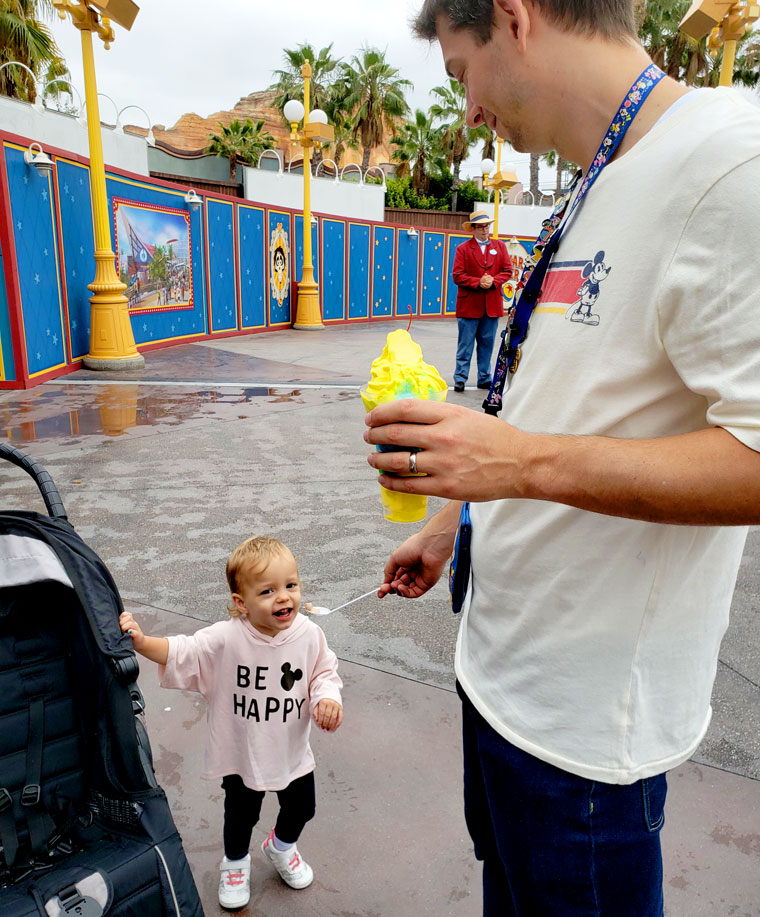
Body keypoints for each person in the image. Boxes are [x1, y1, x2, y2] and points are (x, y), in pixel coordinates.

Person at [364, 1, 760, 914]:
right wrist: (451, 519)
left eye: (461, 73)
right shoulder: (594, 180)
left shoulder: (727, 165)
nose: (465, 112)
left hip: (585, 740)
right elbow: (557, 397)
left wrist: (519, 466)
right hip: (499, 677)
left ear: (514, 17)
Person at [119, 536, 343, 910]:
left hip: (291, 750)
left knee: (302, 807)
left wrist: (328, 698)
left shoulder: (308, 634)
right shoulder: (226, 638)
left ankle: (281, 847)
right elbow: (183, 651)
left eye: (291, 585)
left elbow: (324, 672)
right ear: (242, 603)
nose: (284, 597)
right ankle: (235, 864)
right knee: (241, 815)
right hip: (242, 754)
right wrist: (142, 642)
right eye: (268, 590)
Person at [452, 210, 512, 391]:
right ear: (473, 229)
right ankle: (460, 378)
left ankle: (484, 377)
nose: (485, 230)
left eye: (487, 226)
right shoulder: (462, 249)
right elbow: (457, 275)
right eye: (481, 227)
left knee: (487, 343)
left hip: (491, 305)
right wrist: (478, 282)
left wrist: (494, 281)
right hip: (469, 304)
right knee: (465, 345)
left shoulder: (500, 246)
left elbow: (507, 271)